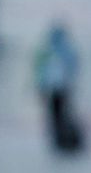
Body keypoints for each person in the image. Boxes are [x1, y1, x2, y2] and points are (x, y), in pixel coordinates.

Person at [33, 23, 85, 156]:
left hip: (56, 89)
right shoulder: (65, 51)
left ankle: (61, 137)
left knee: (56, 113)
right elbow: (72, 68)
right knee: (60, 112)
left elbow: (40, 71)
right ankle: (61, 137)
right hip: (60, 88)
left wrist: (41, 86)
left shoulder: (47, 52)